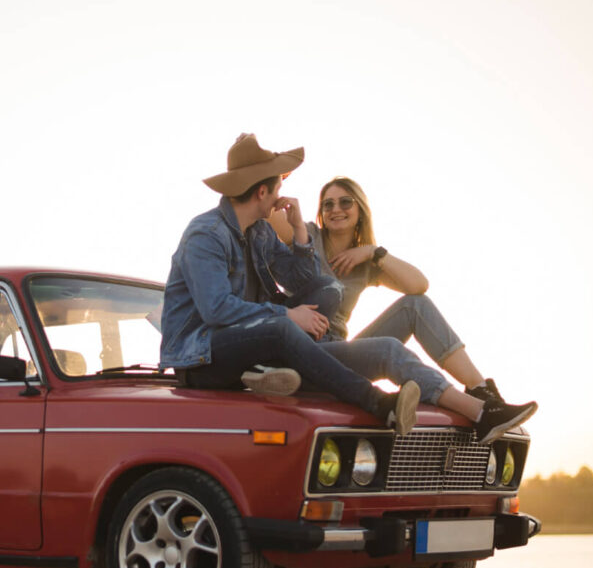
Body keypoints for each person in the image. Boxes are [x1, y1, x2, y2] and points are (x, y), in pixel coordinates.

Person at [161, 134, 534, 442]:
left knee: (331, 291)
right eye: (278, 185)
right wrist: (288, 314)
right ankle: (381, 404)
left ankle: (482, 409)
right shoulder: (205, 234)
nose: (281, 193)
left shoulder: (258, 232)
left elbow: (302, 282)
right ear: (262, 191)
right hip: (203, 355)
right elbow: (215, 310)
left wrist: (302, 234)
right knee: (281, 325)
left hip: (262, 344)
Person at [269, 176, 538, 440]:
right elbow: (267, 209)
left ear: (360, 210)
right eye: (328, 205)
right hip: (308, 346)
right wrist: (274, 172)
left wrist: (374, 252)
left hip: (342, 350)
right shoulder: (307, 235)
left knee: (416, 306)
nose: (336, 209)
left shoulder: (366, 264)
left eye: (345, 202)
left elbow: (419, 285)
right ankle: (480, 414)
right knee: (389, 348)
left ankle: (482, 393)